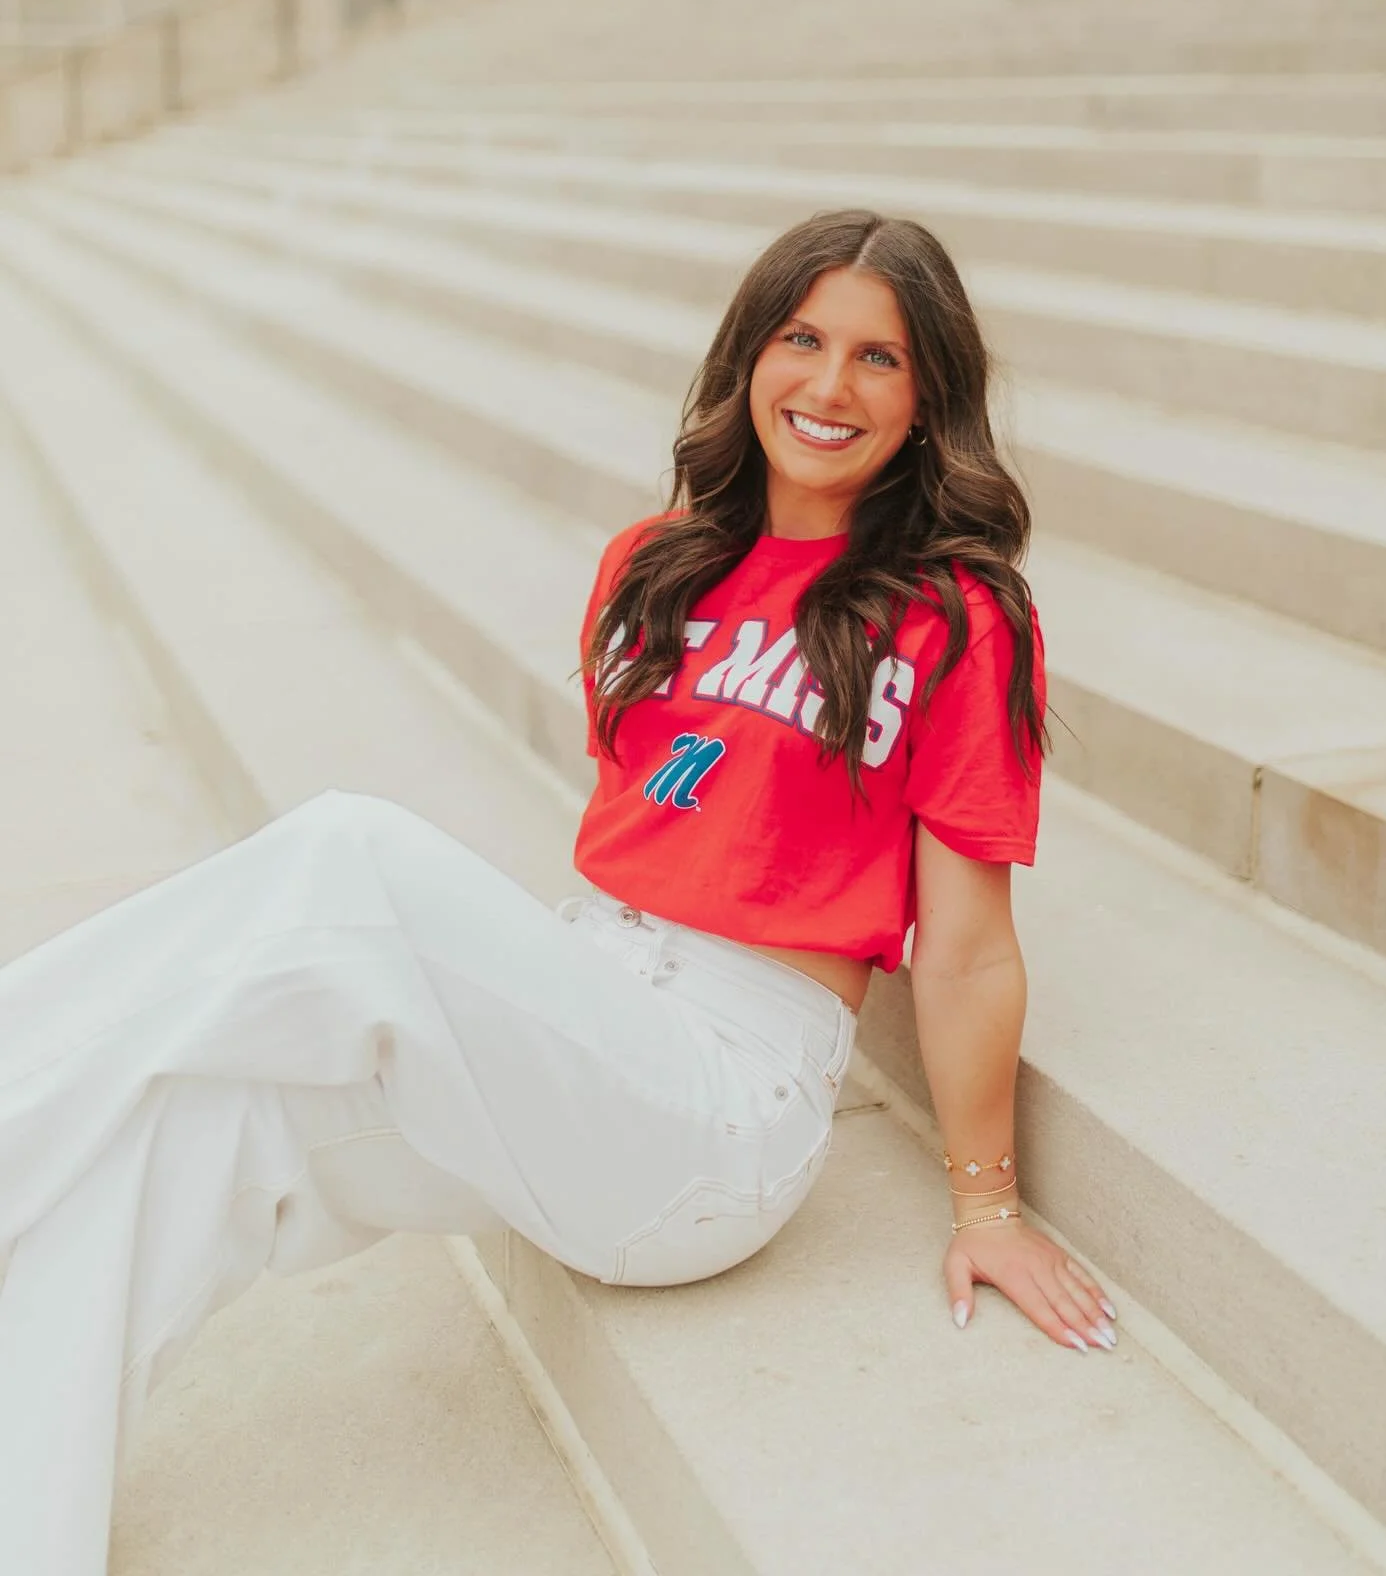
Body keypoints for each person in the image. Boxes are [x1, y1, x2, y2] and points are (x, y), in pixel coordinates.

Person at [0, 209, 1116, 1575]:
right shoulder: (658, 565)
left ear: (929, 394)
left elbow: (967, 951)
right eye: (802, 339)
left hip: (717, 1111)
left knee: (347, 854)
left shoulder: (955, 618)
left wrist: (988, 1206)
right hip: (594, 1017)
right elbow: (657, 827)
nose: (830, 388)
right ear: (748, 354)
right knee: (205, 1123)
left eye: (879, 360)